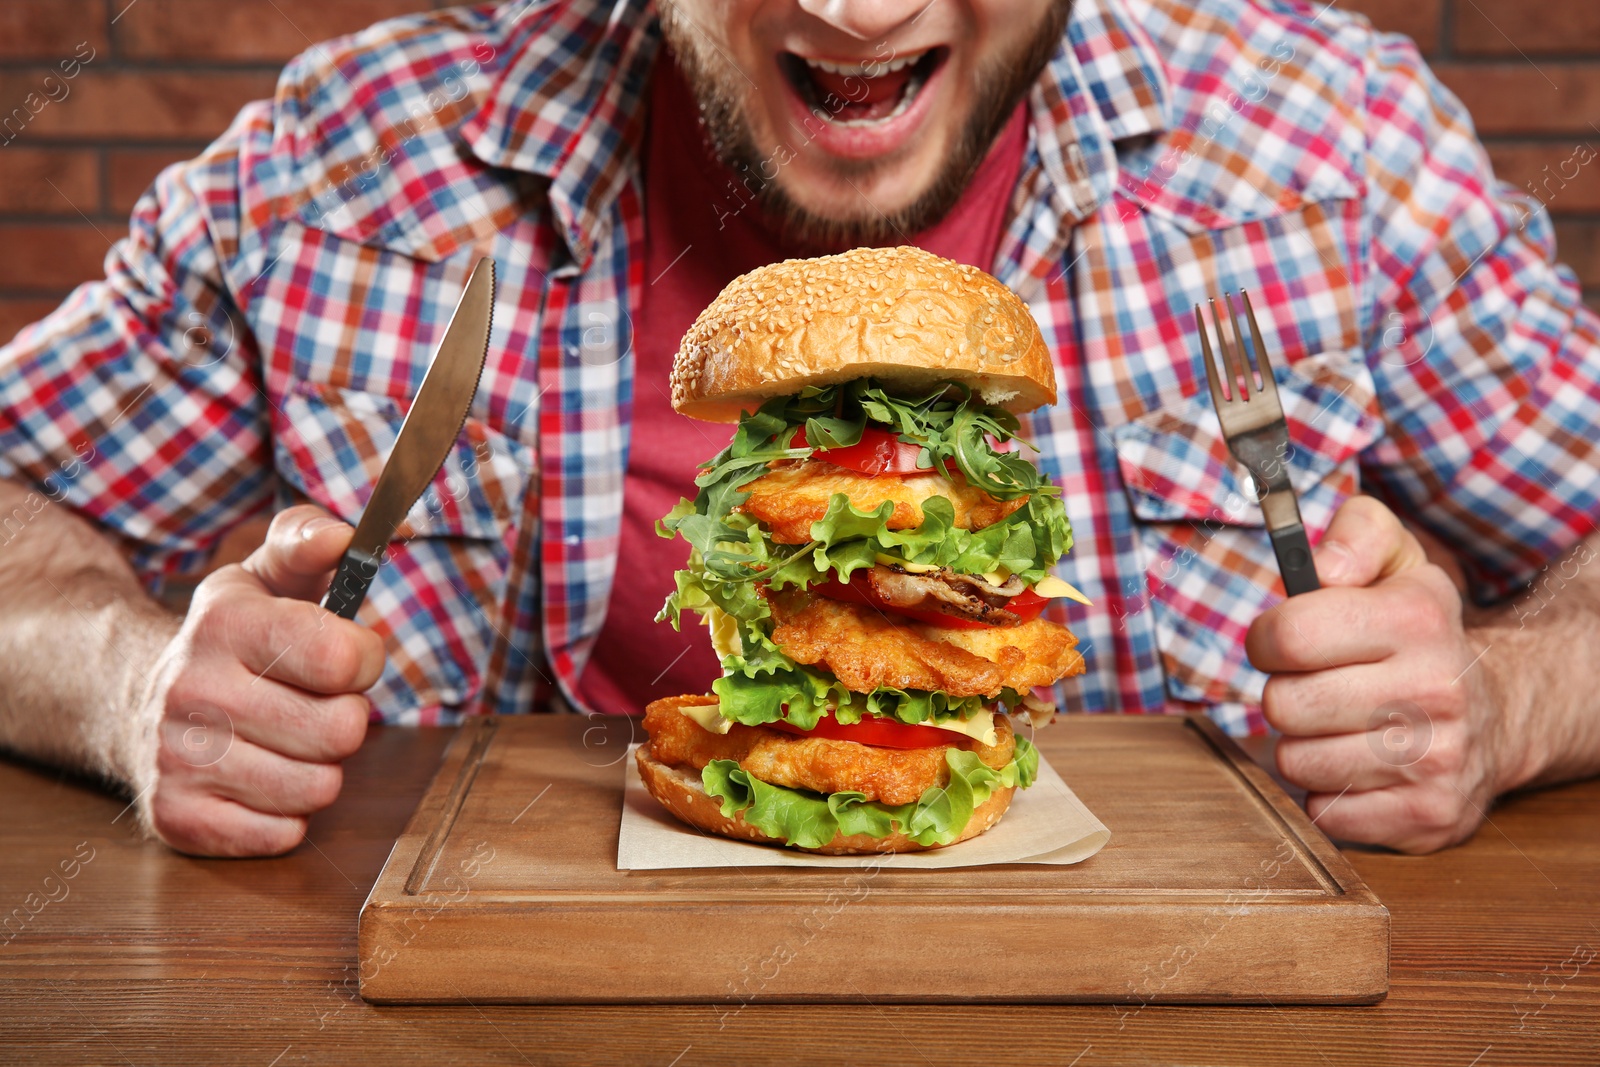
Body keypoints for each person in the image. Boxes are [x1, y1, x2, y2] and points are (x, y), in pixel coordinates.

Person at [1, 0, 1597, 858]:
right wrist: (131, 683)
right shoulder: (350, 166)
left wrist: (1511, 701)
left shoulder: (1330, 146)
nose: (855, 10)